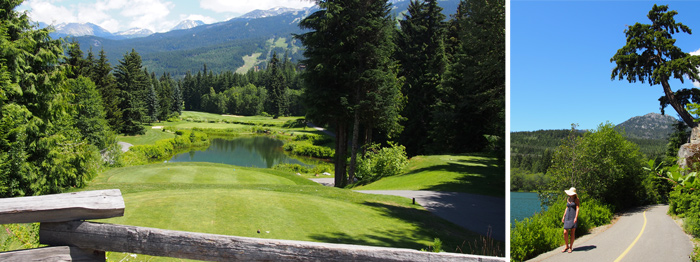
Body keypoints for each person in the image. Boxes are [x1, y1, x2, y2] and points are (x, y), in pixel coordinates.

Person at [561, 187, 579, 253]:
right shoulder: (568, 199)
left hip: (573, 216)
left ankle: (570, 247)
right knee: (565, 232)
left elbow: (577, 208)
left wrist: (576, 217)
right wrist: (563, 216)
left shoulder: (576, 199)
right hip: (567, 216)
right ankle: (566, 246)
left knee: (572, 232)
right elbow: (566, 207)